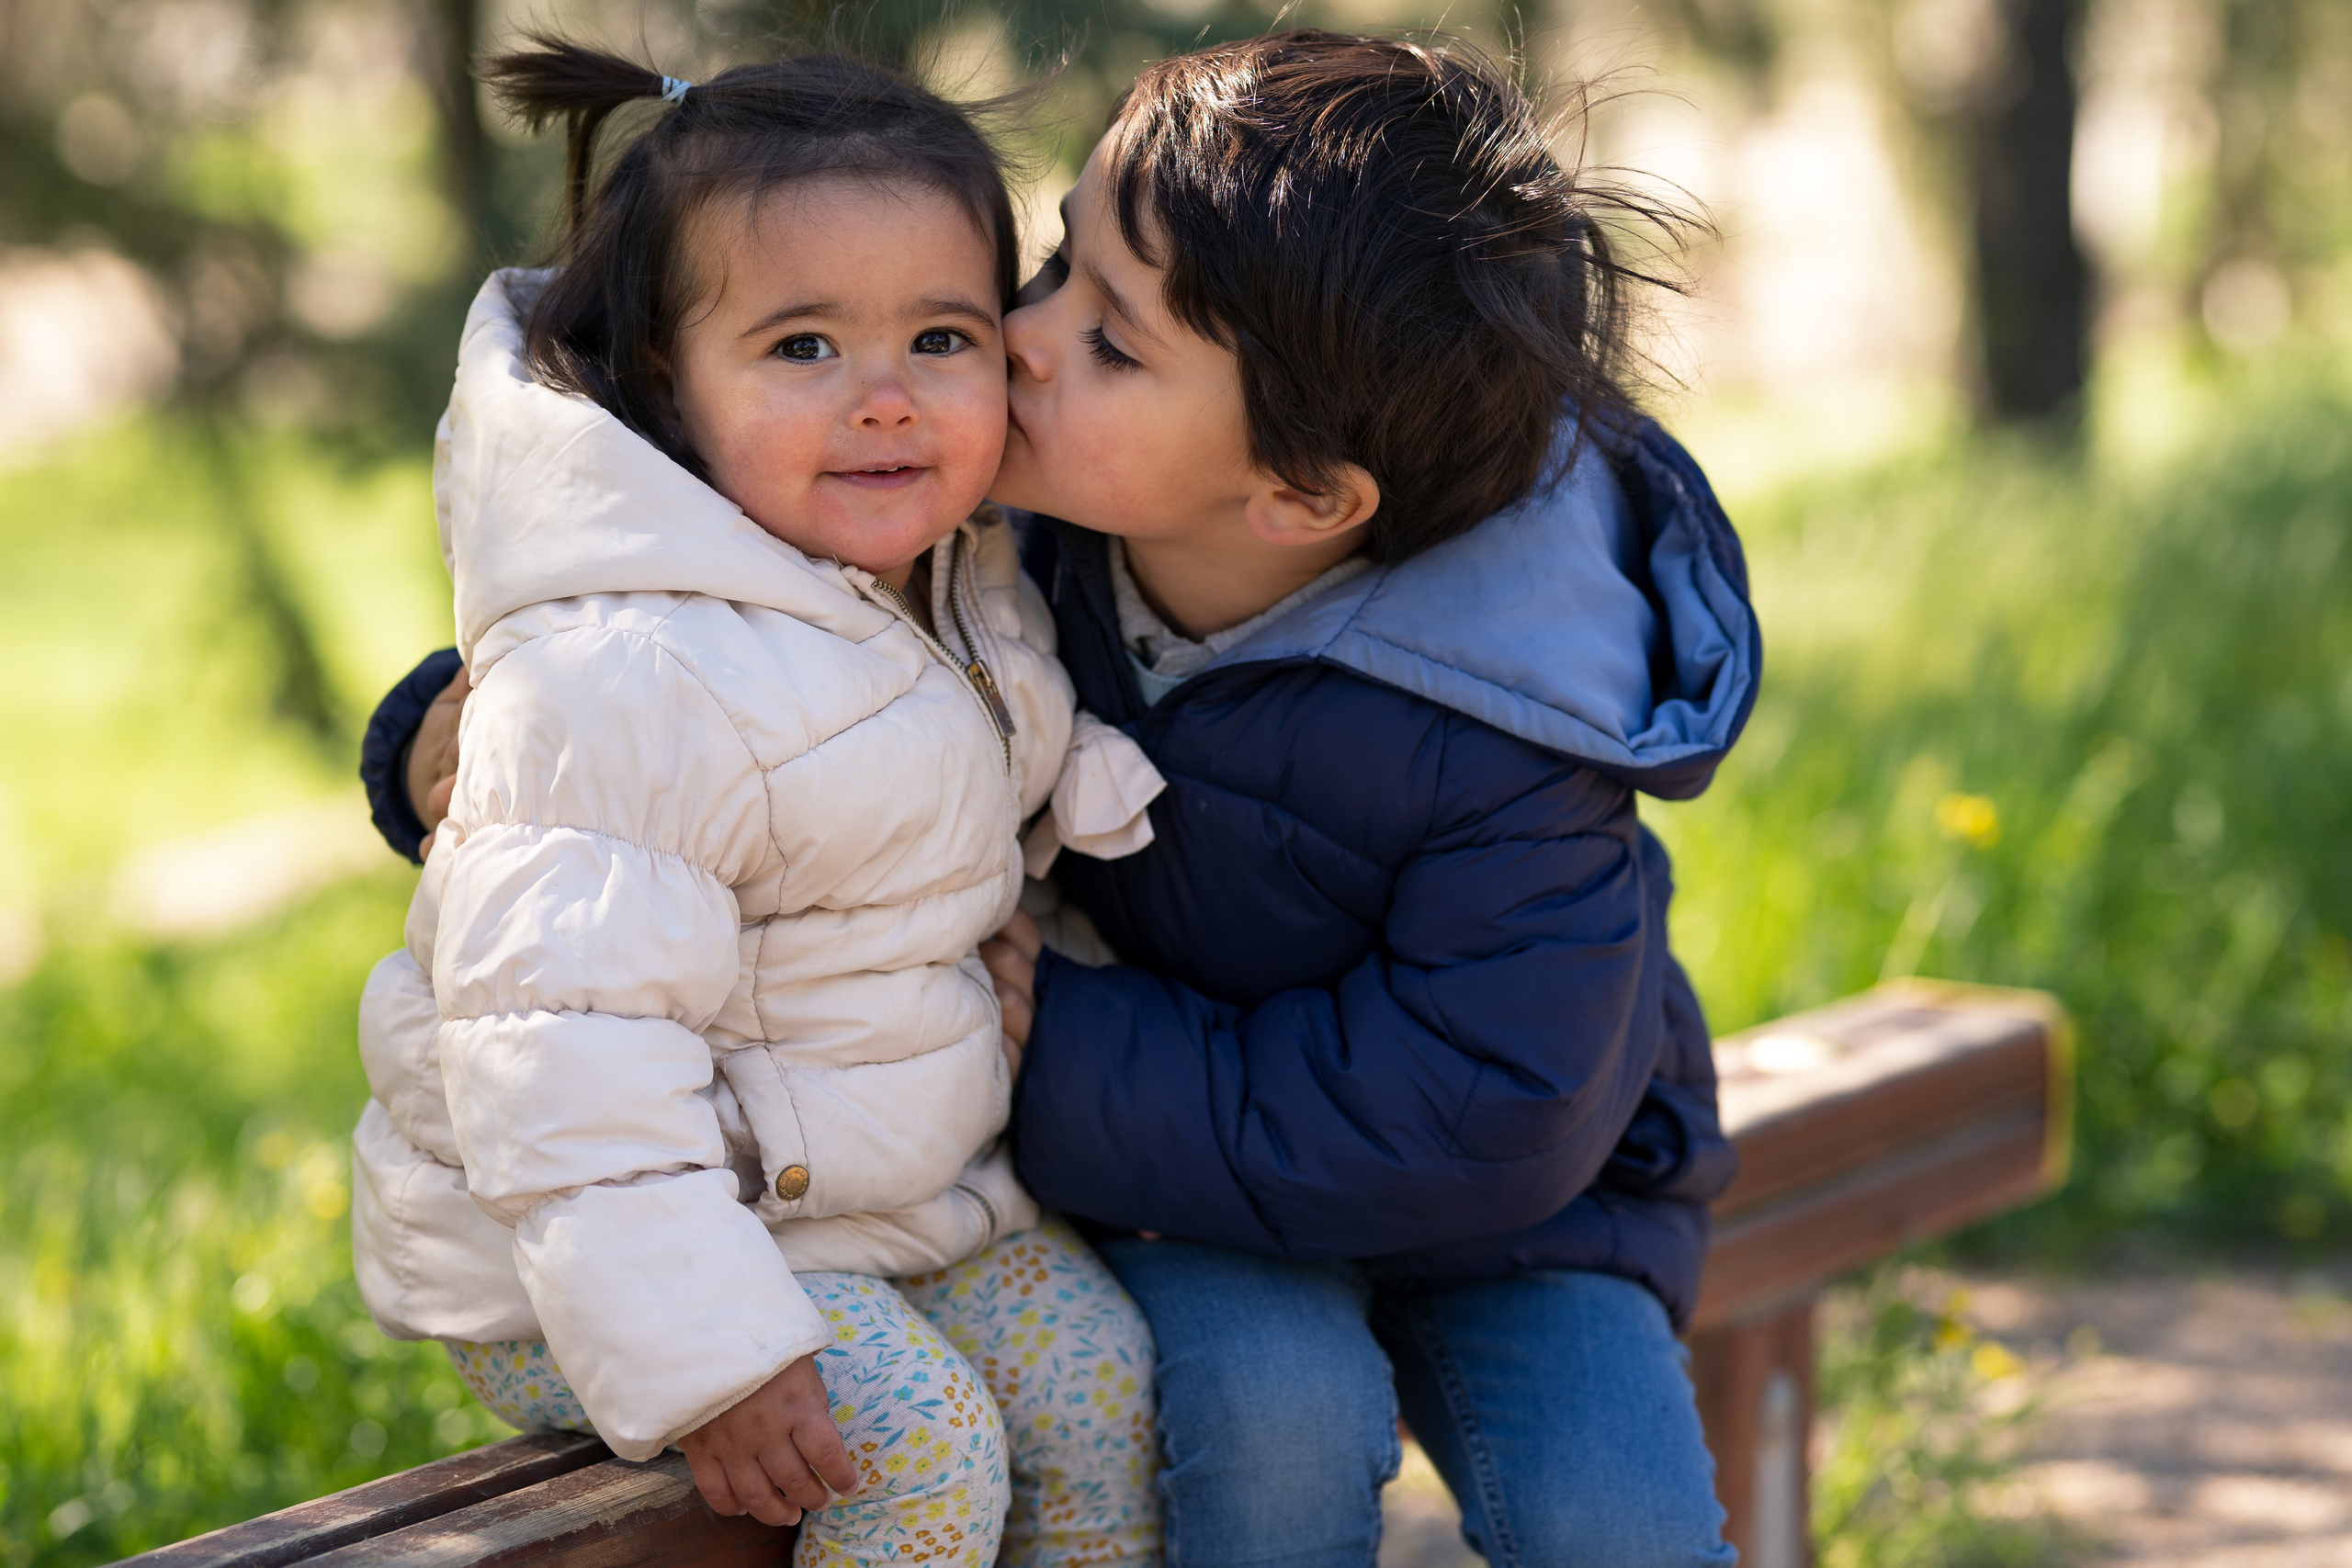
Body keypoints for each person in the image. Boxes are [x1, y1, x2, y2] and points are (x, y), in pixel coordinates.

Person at [370, 29, 1760, 1568]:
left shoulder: (1518, 717)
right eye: (1055, 274)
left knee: (1618, 1526)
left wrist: (1073, 1039)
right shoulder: (1006, 537)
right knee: (1265, 1433)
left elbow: (1487, 1107)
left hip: (1506, 1208)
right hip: (1166, 1200)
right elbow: (683, 668)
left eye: (1110, 340)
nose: (1020, 341)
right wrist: (439, 723)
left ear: (1298, 496)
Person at [347, 38, 1161, 1568]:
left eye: (941, 335)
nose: (885, 400)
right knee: (912, 1453)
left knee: (1100, 1383)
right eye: (801, 348)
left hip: (871, 1197)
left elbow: (974, 803)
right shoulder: (626, 675)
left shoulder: (953, 581)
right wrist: (707, 1351)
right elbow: (560, 1057)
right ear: (668, 383)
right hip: (591, 1255)